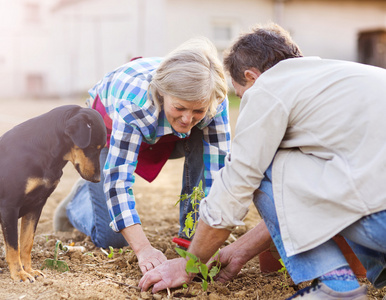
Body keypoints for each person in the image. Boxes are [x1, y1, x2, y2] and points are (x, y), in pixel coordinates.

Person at [139, 23, 386, 300]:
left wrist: (190, 263)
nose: (246, 101)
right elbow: (302, 197)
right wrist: (241, 248)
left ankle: (337, 287)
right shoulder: (351, 76)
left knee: (266, 160)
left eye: (241, 94)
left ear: (251, 76)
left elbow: (237, 185)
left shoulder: (269, 87)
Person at [53, 37, 232, 274]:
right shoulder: (134, 103)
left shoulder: (213, 98)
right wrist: (144, 249)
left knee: (202, 138)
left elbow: (217, 172)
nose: (188, 119)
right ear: (162, 94)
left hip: (165, 132)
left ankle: (189, 234)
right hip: (107, 130)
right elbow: (119, 180)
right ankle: (78, 201)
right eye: (179, 107)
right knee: (113, 240)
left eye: (197, 110)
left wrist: (201, 245)